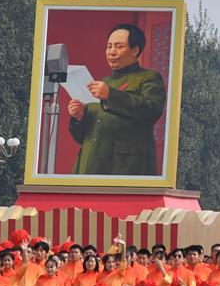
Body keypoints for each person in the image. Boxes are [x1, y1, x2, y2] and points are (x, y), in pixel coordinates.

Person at [67, 23, 167, 176]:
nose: (112, 52)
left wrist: (110, 95)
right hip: (88, 167)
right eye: (109, 46)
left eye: (119, 46)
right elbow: (82, 137)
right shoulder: (102, 83)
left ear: (135, 50)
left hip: (124, 168)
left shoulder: (149, 78)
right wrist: (78, 117)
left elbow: (151, 110)